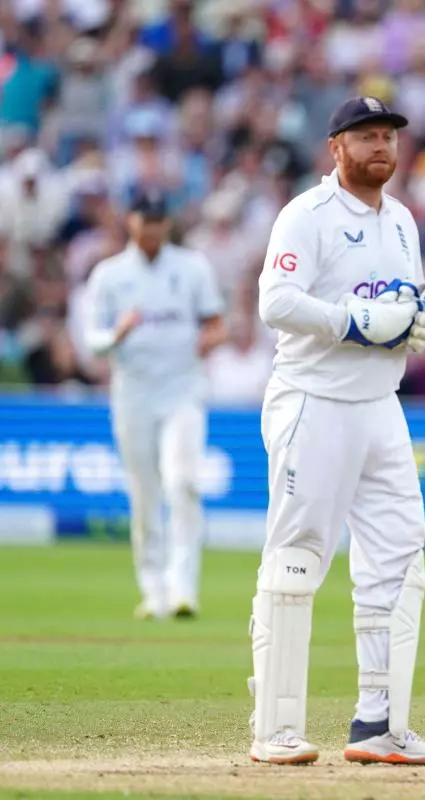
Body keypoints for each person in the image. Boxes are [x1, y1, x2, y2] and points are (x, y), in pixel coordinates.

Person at [246, 96, 425, 766]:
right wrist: (352, 323)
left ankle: (378, 722)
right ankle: (275, 727)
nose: (381, 146)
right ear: (336, 148)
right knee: (298, 556)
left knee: (399, 557)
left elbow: (411, 297)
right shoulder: (307, 215)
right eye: (366, 137)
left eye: (388, 136)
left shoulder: (402, 220)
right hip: (314, 400)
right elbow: (275, 302)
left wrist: (422, 321)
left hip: (381, 404)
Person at [83, 189, 227, 621]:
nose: (152, 228)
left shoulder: (192, 267)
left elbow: (216, 323)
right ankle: (154, 591)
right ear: (131, 221)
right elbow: (92, 339)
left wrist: (209, 340)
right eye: (145, 219)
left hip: (183, 389)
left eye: (158, 220)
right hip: (133, 392)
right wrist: (117, 335)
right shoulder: (109, 275)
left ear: (167, 223)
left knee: (183, 482)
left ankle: (184, 589)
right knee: (144, 492)